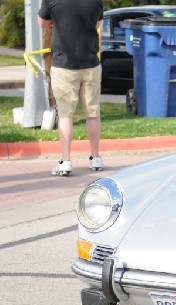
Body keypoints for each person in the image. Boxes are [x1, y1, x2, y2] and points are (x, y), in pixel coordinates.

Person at [38, 0, 104, 177]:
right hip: (91, 63)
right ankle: (96, 158)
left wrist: (59, 23)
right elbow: (97, 24)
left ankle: (66, 161)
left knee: (66, 114)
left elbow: (42, 23)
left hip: (63, 64)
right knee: (92, 112)